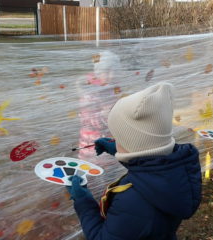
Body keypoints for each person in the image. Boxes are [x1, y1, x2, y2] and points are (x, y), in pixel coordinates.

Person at [67, 82, 202, 240]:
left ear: (132, 144)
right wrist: (116, 149)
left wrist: (83, 202)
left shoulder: (132, 203)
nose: (115, 140)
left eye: (118, 138)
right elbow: (150, 169)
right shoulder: (177, 169)